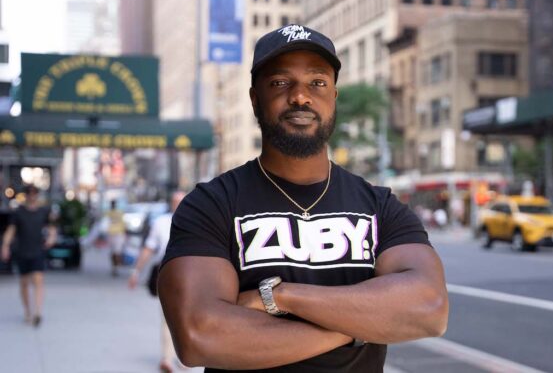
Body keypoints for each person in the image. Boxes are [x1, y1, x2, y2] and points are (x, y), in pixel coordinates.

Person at [158, 25, 449, 372]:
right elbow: (199, 336)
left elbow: (430, 308)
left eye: (317, 82)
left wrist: (278, 297)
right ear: (255, 98)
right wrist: (360, 327)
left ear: (334, 97)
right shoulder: (211, 205)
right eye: (281, 83)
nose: (300, 96)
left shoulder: (380, 207)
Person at [128, 191, 187, 373]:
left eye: (181, 201)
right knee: (167, 317)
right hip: (167, 273)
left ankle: (184, 356)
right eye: (174, 201)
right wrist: (136, 271)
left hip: (190, 276)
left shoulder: (197, 221)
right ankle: (167, 359)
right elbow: (149, 248)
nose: (177, 204)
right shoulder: (161, 223)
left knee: (185, 317)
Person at [1, 185, 57, 326]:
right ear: (26, 195)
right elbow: (11, 230)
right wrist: (5, 246)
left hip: (38, 250)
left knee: (38, 279)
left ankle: (37, 312)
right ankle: (27, 310)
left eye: (34, 194)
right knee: (24, 282)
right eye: (29, 194)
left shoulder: (43, 211)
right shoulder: (18, 212)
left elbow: (51, 228)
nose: (32, 196)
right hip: (22, 251)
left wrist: (51, 238)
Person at [105, 200, 126, 276]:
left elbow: (123, 223)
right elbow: (104, 224)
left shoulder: (119, 212)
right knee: (113, 253)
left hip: (119, 234)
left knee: (117, 252)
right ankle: (114, 267)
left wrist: (125, 234)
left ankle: (116, 267)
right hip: (111, 234)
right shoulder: (108, 213)